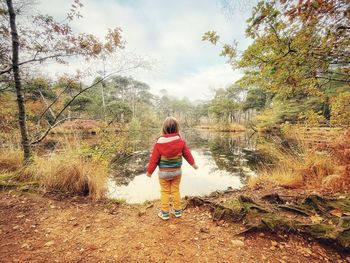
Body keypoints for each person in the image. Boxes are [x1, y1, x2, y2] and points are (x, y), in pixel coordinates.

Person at [146, 116, 198, 220]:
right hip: (177, 172)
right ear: (177, 128)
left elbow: (154, 159)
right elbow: (187, 154)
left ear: (164, 128)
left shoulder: (159, 143)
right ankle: (177, 211)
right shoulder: (181, 142)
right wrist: (193, 165)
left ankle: (165, 213)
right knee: (175, 191)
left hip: (163, 174)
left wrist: (149, 172)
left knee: (165, 192)